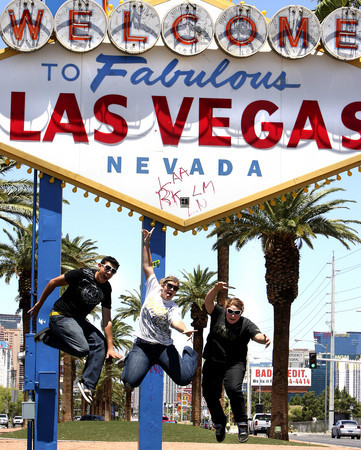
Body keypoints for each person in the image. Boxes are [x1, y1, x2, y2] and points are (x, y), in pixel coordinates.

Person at [28, 257, 123, 404]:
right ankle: (48, 337)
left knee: (100, 344)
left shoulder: (106, 289)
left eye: (113, 272)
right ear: (100, 266)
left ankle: (87, 385)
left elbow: (107, 320)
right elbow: (53, 282)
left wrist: (110, 348)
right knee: (83, 349)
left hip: (78, 321)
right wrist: (39, 305)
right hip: (60, 316)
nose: (109, 273)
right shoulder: (82, 274)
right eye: (108, 268)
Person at [121, 228, 198, 390]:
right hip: (143, 346)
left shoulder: (173, 307)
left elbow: (175, 321)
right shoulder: (153, 288)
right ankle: (131, 359)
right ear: (163, 285)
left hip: (164, 348)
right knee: (129, 384)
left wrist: (184, 330)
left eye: (175, 289)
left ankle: (189, 353)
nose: (171, 290)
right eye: (169, 286)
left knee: (184, 379)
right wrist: (146, 243)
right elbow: (147, 265)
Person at [202, 281, 270, 444]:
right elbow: (207, 302)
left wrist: (264, 339)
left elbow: (256, 335)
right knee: (209, 394)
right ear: (226, 309)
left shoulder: (246, 324)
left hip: (234, 364)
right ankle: (219, 421)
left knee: (233, 389)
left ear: (241, 312)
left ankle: (242, 424)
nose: (232, 315)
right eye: (230, 311)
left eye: (236, 313)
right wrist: (216, 289)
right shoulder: (218, 314)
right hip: (213, 361)